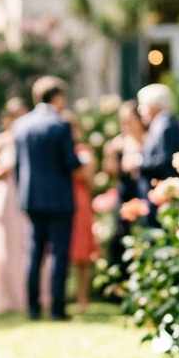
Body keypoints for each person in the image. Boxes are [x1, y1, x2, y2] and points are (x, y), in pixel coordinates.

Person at [13, 75, 80, 321]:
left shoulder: (21, 125)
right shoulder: (60, 125)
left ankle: (33, 308)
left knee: (34, 254)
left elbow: (19, 165)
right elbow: (70, 162)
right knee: (59, 255)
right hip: (60, 198)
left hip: (31, 198)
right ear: (57, 97)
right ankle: (57, 309)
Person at [0, 97, 47, 314]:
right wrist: (2, 170)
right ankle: (7, 298)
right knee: (5, 245)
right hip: (5, 194)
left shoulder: (27, 138)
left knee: (26, 244)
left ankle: (32, 295)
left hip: (25, 194)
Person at [104, 101, 147, 276]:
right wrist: (111, 154)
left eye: (129, 120)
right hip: (125, 194)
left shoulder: (149, 140)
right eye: (123, 121)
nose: (126, 125)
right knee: (120, 236)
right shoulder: (119, 144)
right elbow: (110, 172)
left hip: (143, 193)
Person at [134, 84, 179, 217]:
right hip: (155, 195)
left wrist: (139, 162)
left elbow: (166, 160)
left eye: (143, 105)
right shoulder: (159, 125)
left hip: (163, 197)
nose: (140, 110)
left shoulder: (166, 126)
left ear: (154, 105)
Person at [66, 114, 99, 311]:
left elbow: (89, 177)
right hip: (64, 200)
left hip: (81, 202)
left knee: (82, 252)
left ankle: (82, 298)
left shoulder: (83, 151)